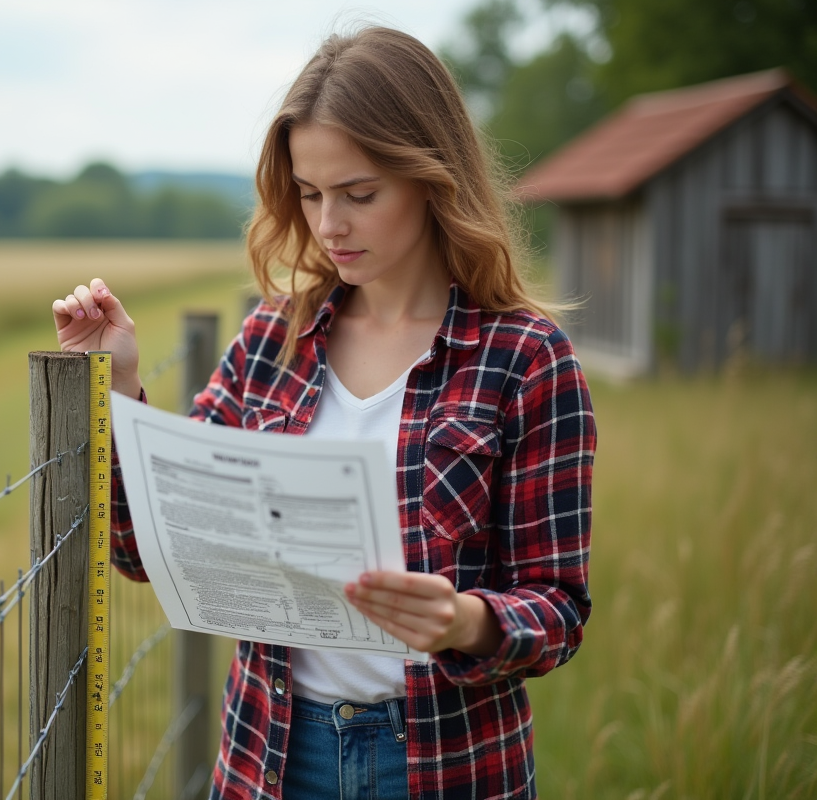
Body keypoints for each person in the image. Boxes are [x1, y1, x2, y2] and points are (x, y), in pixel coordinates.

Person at [50, 26, 596, 800]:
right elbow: (150, 555)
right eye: (309, 194)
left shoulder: (527, 358)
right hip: (269, 754)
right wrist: (119, 388)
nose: (328, 224)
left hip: (449, 764)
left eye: (359, 194)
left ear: (432, 180)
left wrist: (467, 621)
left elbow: (559, 607)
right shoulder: (272, 338)